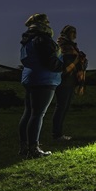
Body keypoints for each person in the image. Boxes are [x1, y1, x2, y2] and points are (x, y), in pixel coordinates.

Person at [18, 13, 65, 158]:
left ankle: (24, 147)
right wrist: (63, 66)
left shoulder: (28, 39)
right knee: (38, 114)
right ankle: (33, 149)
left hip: (31, 77)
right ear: (43, 23)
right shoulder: (42, 39)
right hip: (44, 79)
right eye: (47, 21)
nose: (49, 23)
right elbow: (49, 61)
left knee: (28, 113)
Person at [52, 25, 87, 142]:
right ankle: (56, 134)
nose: (75, 35)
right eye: (73, 32)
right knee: (61, 107)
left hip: (70, 80)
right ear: (67, 33)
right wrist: (77, 60)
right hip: (64, 80)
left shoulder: (71, 46)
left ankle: (58, 133)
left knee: (64, 107)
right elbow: (66, 64)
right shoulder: (63, 45)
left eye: (75, 32)